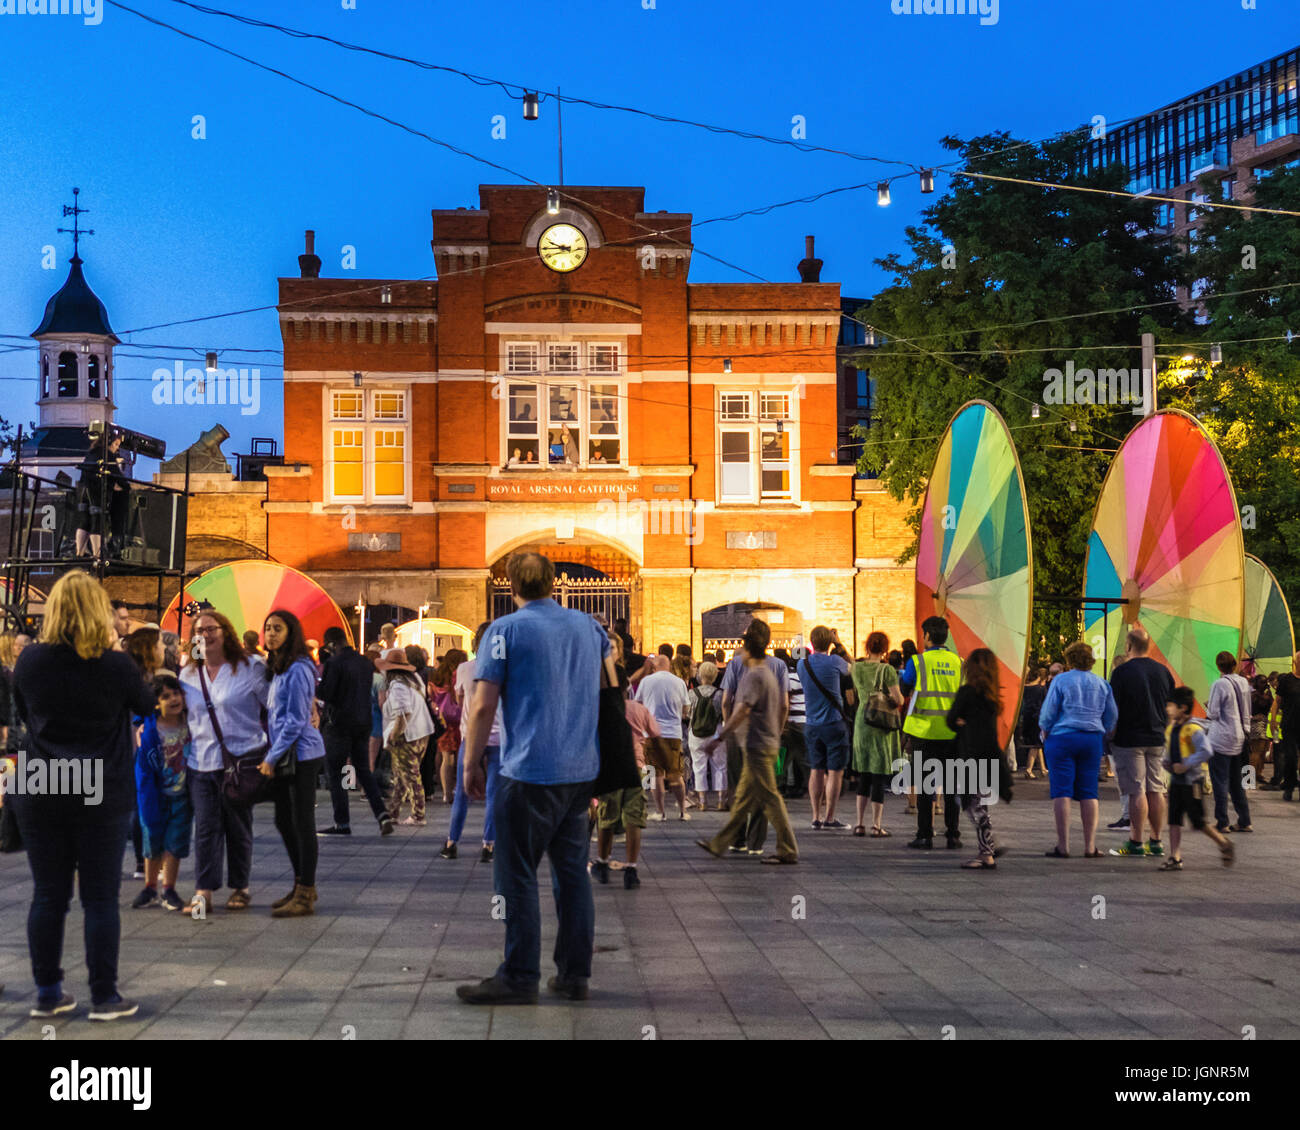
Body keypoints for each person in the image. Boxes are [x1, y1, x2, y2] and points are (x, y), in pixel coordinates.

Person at [457, 552, 610, 1005]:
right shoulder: (589, 627)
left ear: (511, 586)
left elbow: (483, 704)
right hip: (580, 770)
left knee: (517, 874)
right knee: (573, 874)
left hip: (527, 770)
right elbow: (608, 689)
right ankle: (574, 974)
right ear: (553, 582)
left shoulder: (504, 631)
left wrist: (470, 762)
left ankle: (520, 974)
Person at [10, 570, 155, 1020]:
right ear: (100, 612)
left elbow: (22, 712)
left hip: (42, 782)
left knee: (48, 893)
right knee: (98, 896)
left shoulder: (30, 661)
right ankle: (104, 996)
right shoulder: (115, 665)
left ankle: (48, 993)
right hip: (99, 786)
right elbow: (146, 706)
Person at [180, 609, 268, 914]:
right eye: (199, 631)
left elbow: (273, 706)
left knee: (238, 827)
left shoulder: (250, 667)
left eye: (211, 629)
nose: (205, 635)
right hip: (201, 763)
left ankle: (240, 887)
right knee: (205, 828)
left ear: (225, 631)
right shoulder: (189, 674)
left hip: (241, 760)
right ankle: (203, 891)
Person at [696, 619, 799, 865]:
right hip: (766, 742)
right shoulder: (772, 670)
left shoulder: (755, 676)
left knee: (770, 798)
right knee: (742, 798)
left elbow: (740, 710)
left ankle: (788, 848)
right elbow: (784, 704)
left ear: (748, 649)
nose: (737, 654)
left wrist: (720, 736)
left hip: (757, 745)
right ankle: (720, 843)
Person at [259, 609, 328, 917]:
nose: (271, 634)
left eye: (278, 629)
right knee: (284, 820)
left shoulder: (299, 668)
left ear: (291, 633)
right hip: (287, 752)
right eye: (268, 628)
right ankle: (301, 883)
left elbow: (296, 719)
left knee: (302, 822)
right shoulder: (279, 667)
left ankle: (306, 892)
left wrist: (271, 757)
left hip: (302, 754)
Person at [1039, 641, 1117, 859]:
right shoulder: (1102, 683)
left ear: (1069, 659)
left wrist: (1045, 730)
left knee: (1062, 791)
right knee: (1089, 791)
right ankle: (1090, 846)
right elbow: (1111, 715)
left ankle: (1063, 845)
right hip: (1091, 739)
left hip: (1062, 738)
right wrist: (1105, 730)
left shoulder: (1061, 681)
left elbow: (1049, 711)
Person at [316, 626, 394, 837]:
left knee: (337, 772)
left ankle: (342, 822)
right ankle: (382, 815)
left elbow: (326, 694)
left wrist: (324, 667)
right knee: (363, 771)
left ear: (331, 644)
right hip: (363, 722)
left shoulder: (334, 663)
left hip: (339, 724)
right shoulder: (364, 662)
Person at [719, 626, 790, 854]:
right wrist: (777, 731)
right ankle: (755, 842)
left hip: (740, 735)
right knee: (762, 788)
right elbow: (784, 704)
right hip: (766, 735)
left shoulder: (737, 663)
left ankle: (736, 838)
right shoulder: (778, 666)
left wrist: (726, 728)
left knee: (737, 785)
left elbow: (726, 700)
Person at [1107, 629, 1175, 858]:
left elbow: (1113, 710)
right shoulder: (1164, 672)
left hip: (1129, 739)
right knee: (1156, 790)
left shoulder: (1121, 672)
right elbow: (1170, 707)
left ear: (1128, 645)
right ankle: (1156, 841)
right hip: (1156, 737)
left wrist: (1110, 736)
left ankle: (1136, 842)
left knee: (1137, 791)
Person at [593, 633, 653, 890]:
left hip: (623, 757)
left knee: (630, 816)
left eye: (612, 646)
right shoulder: (608, 678)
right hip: (613, 755)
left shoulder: (610, 676)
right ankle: (607, 862)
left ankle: (627, 867)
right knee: (609, 816)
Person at [132, 674, 194, 912]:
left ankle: (168, 888)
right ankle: (150, 886)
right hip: (155, 796)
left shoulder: (190, 723)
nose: (173, 699)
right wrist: (147, 806)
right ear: (156, 702)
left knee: (175, 843)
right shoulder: (150, 732)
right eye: (165, 696)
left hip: (182, 796)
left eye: (176, 693)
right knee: (152, 841)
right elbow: (144, 773)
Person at [443, 623, 504, 862]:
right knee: (494, 793)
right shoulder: (505, 668)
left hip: (470, 735)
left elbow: (459, 701)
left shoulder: (464, 668)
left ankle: (452, 842)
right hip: (499, 736)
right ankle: (489, 845)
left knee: (462, 792)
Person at [902, 616, 963, 850]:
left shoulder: (917, 662)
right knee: (951, 788)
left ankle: (925, 835)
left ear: (926, 636)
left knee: (926, 786)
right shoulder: (958, 662)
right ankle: (953, 835)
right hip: (951, 734)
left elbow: (905, 688)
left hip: (923, 732)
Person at [1160, 687, 1235, 871]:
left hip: (1192, 782)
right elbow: (1169, 752)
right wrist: (1166, 762)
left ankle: (1224, 843)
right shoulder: (1171, 730)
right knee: (1173, 820)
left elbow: (1207, 751)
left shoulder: (1193, 730)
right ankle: (1175, 857)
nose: (1167, 709)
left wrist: (1187, 763)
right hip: (1176, 782)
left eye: (1171, 706)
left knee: (1198, 821)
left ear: (1183, 708)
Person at [945, 648, 1005, 869]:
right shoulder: (992, 695)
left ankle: (987, 850)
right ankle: (989, 844)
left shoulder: (967, 692)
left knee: (971, 803)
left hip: (970, 753)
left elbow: (951, 720)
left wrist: (961, 722)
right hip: (989, 753)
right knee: (979, 802)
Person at [798, 626, 852, 830]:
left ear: (811, 642)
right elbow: (853, 667)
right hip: (834, 722)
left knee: (816, 770)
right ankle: (830, 817)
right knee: (835, 771)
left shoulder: (803, 664)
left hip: (811, 724)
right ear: (829, 642)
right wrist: (838, 643)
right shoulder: (835, 661)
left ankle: (815, 816)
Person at [851, 631, 902, 837]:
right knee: (878, 776)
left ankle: (859, 823)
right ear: (885, 649)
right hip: (881, 724)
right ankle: (876, 825)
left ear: (867, 647)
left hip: (862, 723)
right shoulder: (887, 670)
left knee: (864, 774)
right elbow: (898, 699)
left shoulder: (857, 668)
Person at [379, 647, 436, 825]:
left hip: (407, 736)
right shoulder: (415, 680)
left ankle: (418, 815)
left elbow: (404, 713)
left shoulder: (397, 685)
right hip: (423, 731)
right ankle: (393, 811)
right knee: (402, 775)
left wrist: (395, 734)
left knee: (410, 775)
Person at [635, 654, 690, 820]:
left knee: (655, 775)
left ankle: (660, 812)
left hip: (651, 734)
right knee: (676, 774)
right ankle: (682, 811)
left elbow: (638, 705)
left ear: (654, 666)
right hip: (674, 734)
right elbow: (686, 709)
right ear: (669, 666)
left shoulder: (646, 681)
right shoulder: (679, 682)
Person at [1205, 651, 1253, 833]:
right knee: (1236, 781)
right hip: (1240, 736)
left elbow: (1214, 713)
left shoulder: (1219, 684)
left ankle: (1222, 821)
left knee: (1219, 781)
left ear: (1218, 666)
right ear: (1234, 664)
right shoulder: (1243, 682)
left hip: (1221, 738)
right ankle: (1244, 820)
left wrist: (1208, 706)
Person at [75, 430, 128, 558]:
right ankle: (97, 554)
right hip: (96, 491)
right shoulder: (107, 456)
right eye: (116, 444)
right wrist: (127, 487)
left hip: (83, 490)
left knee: (84, 521)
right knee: (97, 521)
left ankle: (79, 552)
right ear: (109, 443)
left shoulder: (91, 453)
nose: (117, 448)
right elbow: (117, 475)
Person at [429, 649, 467, 804]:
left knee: (446, 757)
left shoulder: (436, 677)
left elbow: (430, 697)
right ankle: (459, 789)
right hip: (459, 720)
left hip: (443, 721)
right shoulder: (458, 675)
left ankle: (446, 793)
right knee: (460, 756)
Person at [686, 660, 726, 810]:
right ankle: (721, 800)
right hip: (716, 732)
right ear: (715, 676)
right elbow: (724, 713)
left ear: (699, 675)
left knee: (698, 766)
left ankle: (702, 801)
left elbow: (687, 713)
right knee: (720, 765)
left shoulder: (692, 693)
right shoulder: (720, 694)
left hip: (696, 733)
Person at [1268, 652, 1300, 800]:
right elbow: (1277, 701)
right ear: (1295, 662)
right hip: (1288, 725)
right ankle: (1289, 785)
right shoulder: (1287, 680)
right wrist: (1273, 720)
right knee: (1291, 757)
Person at [781, 647, 809, 800]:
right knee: (804, 756)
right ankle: (804, 787)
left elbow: (786, 701)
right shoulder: (809, 675)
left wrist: (783, 722)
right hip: (805, 721)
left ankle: (781, 785)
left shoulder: (789, 675)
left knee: (783, 755)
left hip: (791, 721)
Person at [1018, 665, 1048, 779]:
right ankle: (1029, 769)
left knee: (1037, 743)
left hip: (1027, 718)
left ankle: (1043, 768)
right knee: (1036, 744)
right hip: (1038, 718)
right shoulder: (1041, 690)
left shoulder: (1025, 688)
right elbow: (1047, 705)